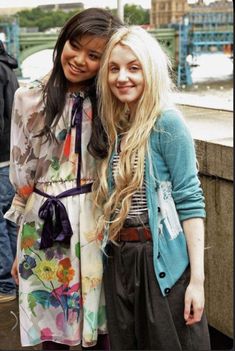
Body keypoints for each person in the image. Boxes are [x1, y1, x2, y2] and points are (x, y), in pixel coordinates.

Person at [4, 8, 123, 350]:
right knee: (49, 324)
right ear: (63, 40)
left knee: (101, 329)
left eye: (94, 55)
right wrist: (17, 249)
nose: (80, 60)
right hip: (42, 222)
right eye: (75, 45)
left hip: (94, 222)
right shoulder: (28, 99)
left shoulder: (112, 104)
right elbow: (23, 177)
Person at [93, 26, 211, 350]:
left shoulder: (167, 124)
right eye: (114, 68)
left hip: (158, 264)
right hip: (119, 260)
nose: (122, 77)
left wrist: (197, 282)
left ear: (151, 70)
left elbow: (190, 200)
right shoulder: (119, 124)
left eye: (134, 67)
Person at [0, 40, 19, 303]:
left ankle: (5, 285)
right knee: (12, 222)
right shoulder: (8, 69)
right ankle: (19, 279)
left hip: (0, 160)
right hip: (11, 159)